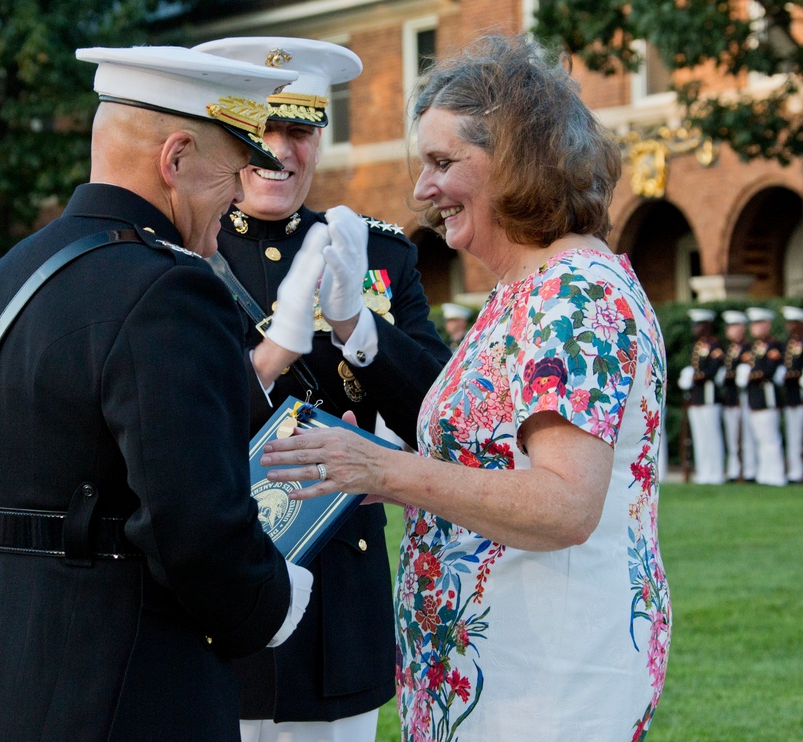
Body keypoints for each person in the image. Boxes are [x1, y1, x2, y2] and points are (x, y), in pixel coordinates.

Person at [260, 34, 671, 739]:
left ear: (519, 161)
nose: (422, 191)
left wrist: (381, 470)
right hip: (501, 671)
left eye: (444, 163)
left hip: (548, 678)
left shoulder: (572, 296)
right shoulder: (528, 289)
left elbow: (564, 504)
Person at [0, 46, 313, 741]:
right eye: (233, 169)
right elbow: (196, 530)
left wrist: (39, 561)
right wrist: (275, 603)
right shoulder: (172, 290)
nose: (241, 197)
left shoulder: (8, 274)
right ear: (175, 158)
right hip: (130, 678)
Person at [191, 37, 451, 742]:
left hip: (339, 596)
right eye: (261, 129)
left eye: (299, 128)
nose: (280, 148)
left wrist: (357, 328)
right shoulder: (181, 259)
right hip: (219, 596)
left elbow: (440, 411)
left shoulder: (374, 254)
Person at [737, 307, 786, 486]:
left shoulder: (773, 346)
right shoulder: (756, 347)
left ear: (767, 325)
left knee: (770, 438)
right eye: (753, 323)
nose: (754, 327)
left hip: (767, 397)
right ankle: (765, 473)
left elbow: (768, 371)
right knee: (760, 439)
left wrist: (749, 375)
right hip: (755, 397)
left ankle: (776, 475)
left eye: (758, 323)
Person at [677, 309, 725, 484]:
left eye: (698, 325)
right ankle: (704, 472)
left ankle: (715, 472)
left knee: (711, 435)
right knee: (700, 438)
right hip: (697, 397)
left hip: (709, 397)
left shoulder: (714, 345)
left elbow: (712, 370)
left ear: (706, 326)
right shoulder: (698, 346)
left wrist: (695, 376)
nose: (695, 328)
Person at [720, 310, 757, 482]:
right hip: (731, 398)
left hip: (744, 398)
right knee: (733, 437)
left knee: (747, 436)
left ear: (742, 327)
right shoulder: (731, 349)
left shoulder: (748, 348)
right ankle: (735, 470)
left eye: (733, 326)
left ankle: (749, 470)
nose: (729, 329)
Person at [780, 305, 803, 483]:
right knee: (794, 436)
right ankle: (795, 472)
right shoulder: (790, 343)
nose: (788, 326)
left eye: (792, 323)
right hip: (792, 395)